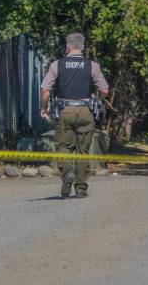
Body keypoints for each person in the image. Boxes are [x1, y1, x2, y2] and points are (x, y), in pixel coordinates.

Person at [39, 32, 109, 199]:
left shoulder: (57, 65)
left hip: (65, 111)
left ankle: (67, 174)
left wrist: (44, 108)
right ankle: (81, 189)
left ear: (67, 46)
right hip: (86, 111)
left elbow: (45, 90)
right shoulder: (92, 65)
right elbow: (105, 90)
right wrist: (97, 100)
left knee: (63, 147)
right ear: (83, 47)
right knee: (83, 151)